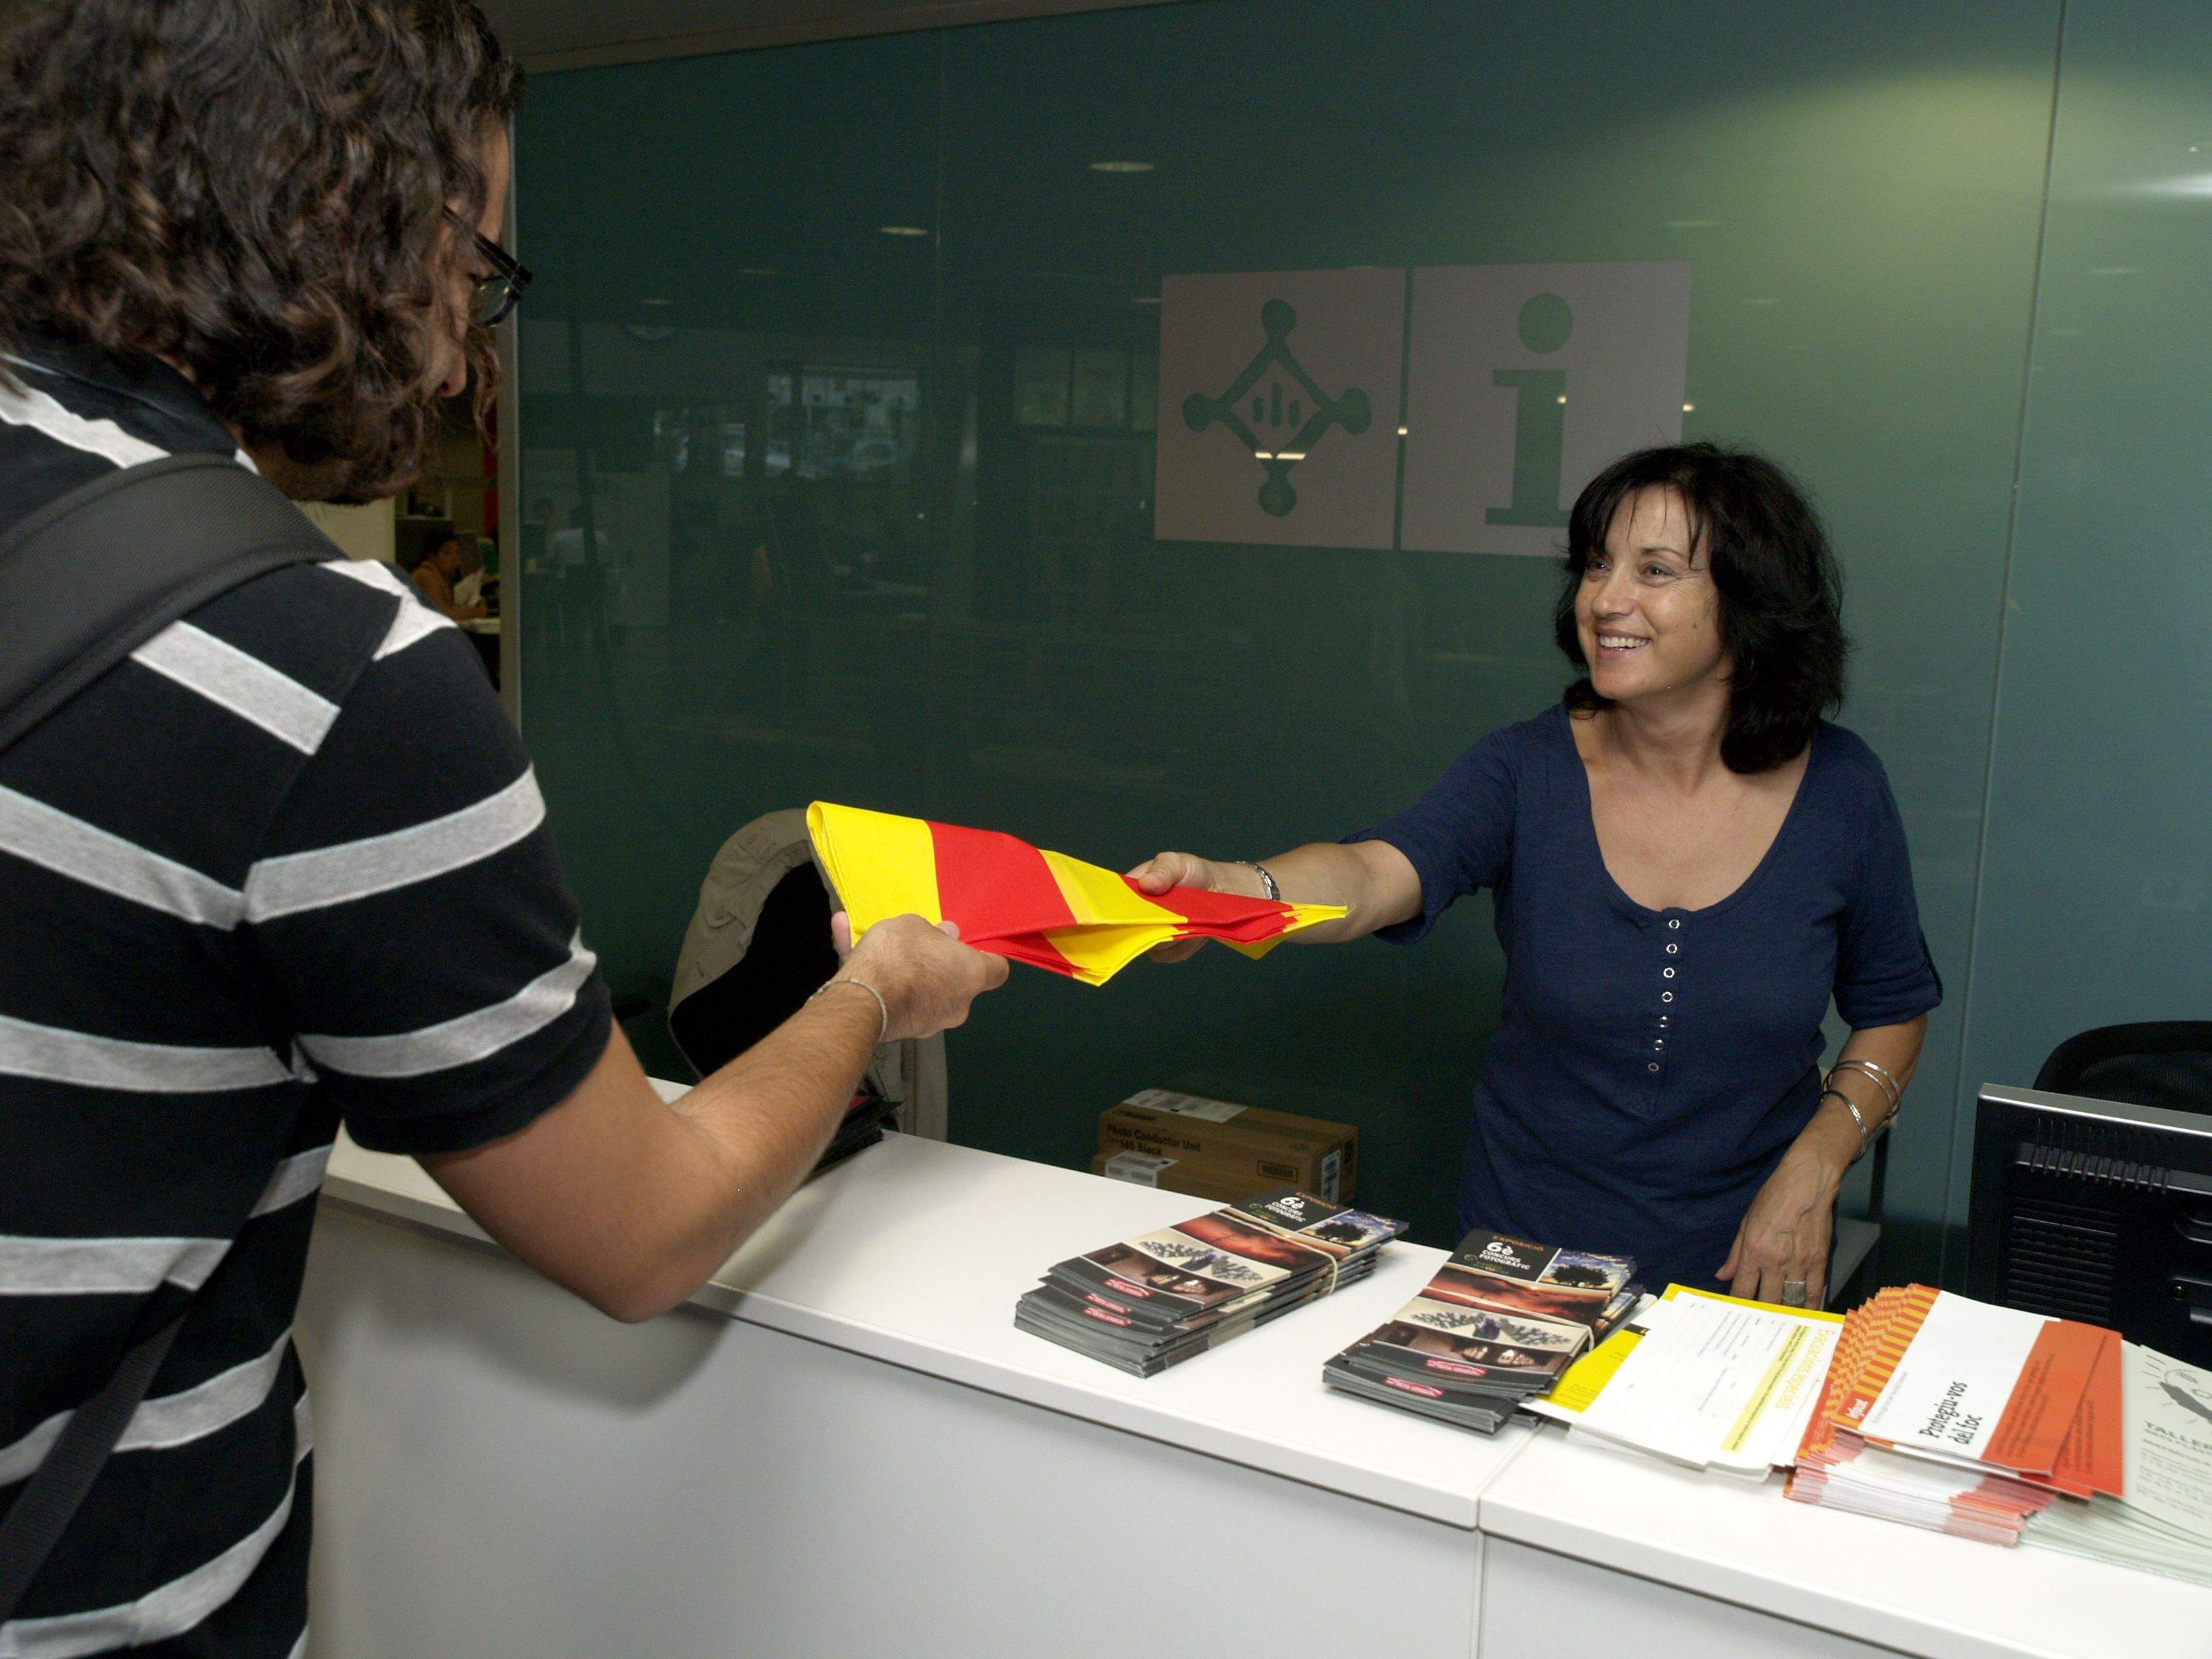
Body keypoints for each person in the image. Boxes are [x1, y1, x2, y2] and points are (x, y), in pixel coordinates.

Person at [0, 4, 1004, 1654]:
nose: (467, 350)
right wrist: (872, 995)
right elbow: (643, 1225)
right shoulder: (329, 669)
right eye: (468, 260)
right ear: (336, 210)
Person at [1132, 444, 1940, 1306]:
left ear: (1749, 605)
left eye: (1655, 570)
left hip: (1747, 1269)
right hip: (1522, 1268)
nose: (1606, 599)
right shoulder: (1527, 769)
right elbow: (1371, 874)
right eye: (1598, 565)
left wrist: (1816, 1165)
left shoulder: (1843, 791)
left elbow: (1893, 1010)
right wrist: (1229, 890)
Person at [410, 532, 488, 621]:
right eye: (448, 553)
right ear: (431, 556)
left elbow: (450, 609)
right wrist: (476, 612)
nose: (455, 559)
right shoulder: (425, 575)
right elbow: (444, 614)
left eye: (457, 553)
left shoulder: (442, 577)